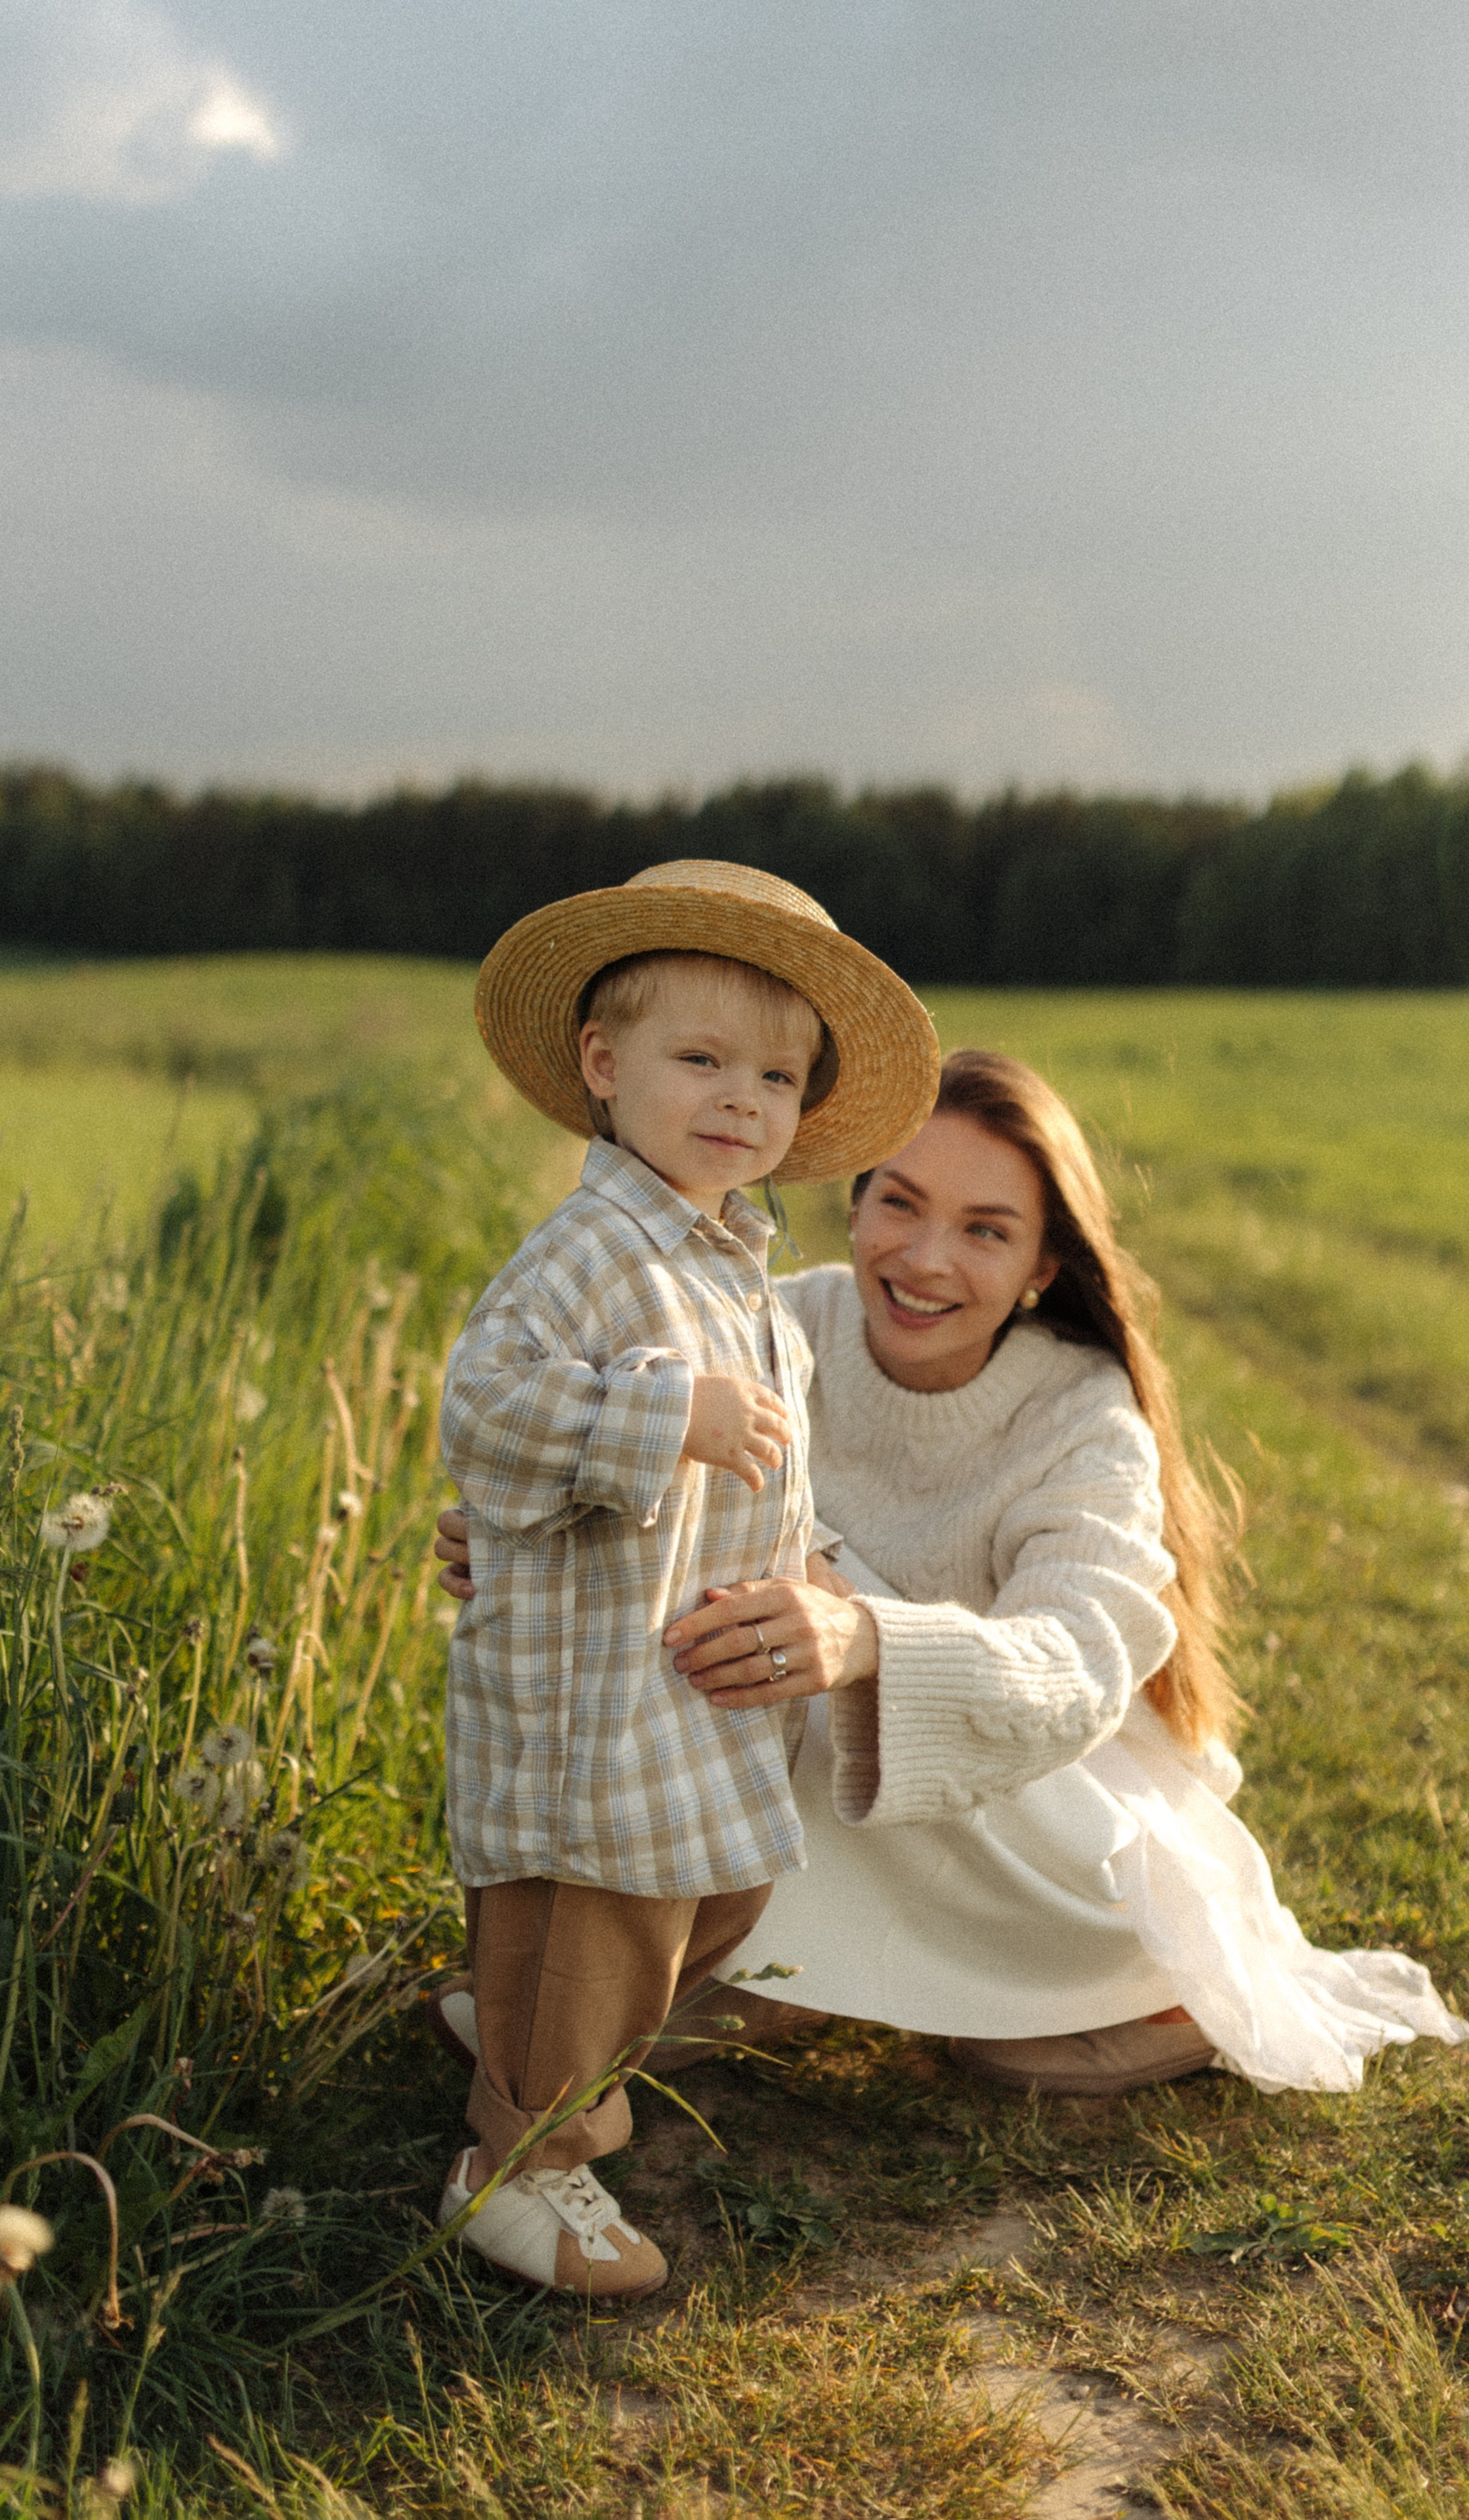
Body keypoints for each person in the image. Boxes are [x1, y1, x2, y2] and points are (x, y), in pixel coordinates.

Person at [437, 1047, 1469, 2106]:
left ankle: (1138, 1992)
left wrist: (869, 1642)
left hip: (1052, 1805)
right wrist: (548, 1537)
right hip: (831, 1765)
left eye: (986, 1231)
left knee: (822, 1643)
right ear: (855, 1207)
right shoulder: (776, 1326)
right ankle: (714, 1972)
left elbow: (1078, 1664)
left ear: (1041, 1269)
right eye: (902, 1203)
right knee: (751, 1626)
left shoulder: (1083, 1416)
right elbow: (614, 1458)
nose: (926, 1259)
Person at [433, 858, 938, 2301]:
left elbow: (763, 1470)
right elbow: (487, 1406)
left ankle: (515, 2019)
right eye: (700, 1059)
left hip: (687, 1684)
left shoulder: (725, 1253)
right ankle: (516, 2163)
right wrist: (668, 1420)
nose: (742, 1101)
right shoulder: (590, 1251)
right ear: (602, 1067)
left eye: (776, 1077)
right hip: (597, 1693)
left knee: (697, 1912)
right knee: (604, 1914)